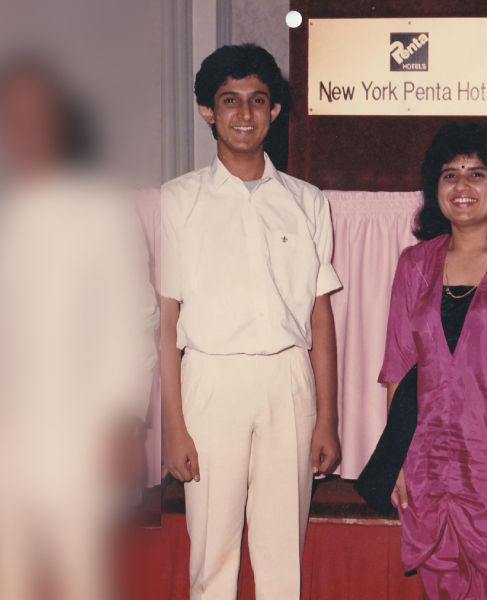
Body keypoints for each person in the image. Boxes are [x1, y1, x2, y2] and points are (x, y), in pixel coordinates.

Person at [0, 57, 158, 600]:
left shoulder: (105, 208)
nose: (25, 128)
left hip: (79, 433)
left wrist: (125, 421)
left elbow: (136, 322)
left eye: (37, 114)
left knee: (80, 581)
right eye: (12, 116)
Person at [158, 43, 342, 600]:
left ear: (275, 111)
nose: (245, 114)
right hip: (212, 382)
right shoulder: (179, 200)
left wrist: (327, 417)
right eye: (230, 101)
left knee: (283, 551)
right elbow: (166, 320)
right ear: (208, 112)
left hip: (289, 382)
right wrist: (174, 426)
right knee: (212, 551)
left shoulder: (307, 201)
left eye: (258, 101)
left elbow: (320, 314)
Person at [360, 123, 487, 599]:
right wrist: (396, 459)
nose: (462, 186)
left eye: (477, 174)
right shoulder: (415, 264)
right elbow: (399, 365)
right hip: (427, 462)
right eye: (449, 174)